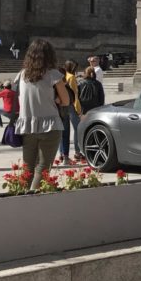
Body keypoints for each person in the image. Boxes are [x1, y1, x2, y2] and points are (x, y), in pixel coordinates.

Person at [14, 39, 69, 191]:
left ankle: (21, 197)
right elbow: (66, 101)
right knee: (43, 168)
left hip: (27, 126)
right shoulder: (53, 74)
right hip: (50, 125)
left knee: (28, 168)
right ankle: (33, 198)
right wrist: (55, 98)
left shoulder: (22, 74)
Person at [59, 60, 84, 166]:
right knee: (77, 129)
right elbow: (75, 94)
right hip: (71, 105)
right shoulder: (72, 77)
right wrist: (78, 108)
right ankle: (78, 152)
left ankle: (62, 153)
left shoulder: (62, 76)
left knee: (63, 131)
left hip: (62, 106)